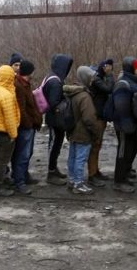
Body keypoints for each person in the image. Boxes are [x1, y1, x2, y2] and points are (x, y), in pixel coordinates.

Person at [65, 66, 99, 194]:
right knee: (80, 158)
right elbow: (89, 118)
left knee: (72, 157)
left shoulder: (73, 92)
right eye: (90, 77)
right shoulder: (84, 96)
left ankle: (72, 180)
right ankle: (78, 184)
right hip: (83, 133)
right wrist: (95, 132)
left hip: (72, 130)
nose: (92, 80)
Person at [0, 65, 21, 196]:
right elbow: (10, 119)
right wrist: (13, 135)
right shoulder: (6, 96)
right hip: (5, 132)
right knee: (3, 161)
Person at [112, 57, 137, 193]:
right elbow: (121, 107)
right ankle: (119, 181)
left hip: (131, 123)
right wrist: (127, 124)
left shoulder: (132, 80)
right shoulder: (123, 83)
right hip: (124, 125)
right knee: (124, 151)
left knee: (133, 147)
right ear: (131, 69)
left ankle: (125, 173)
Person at [12, 60, 42, 195]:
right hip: (25, 127)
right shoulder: (19, 86)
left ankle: (22, 177)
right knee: (22, 155)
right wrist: (29, 123)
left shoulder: (24, 84)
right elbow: (21, 109)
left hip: (29, 125)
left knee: (26, 154)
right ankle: (20, 182)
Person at [43, 54, 74, 185]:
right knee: (55, 144)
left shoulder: (51, 77)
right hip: (55, 120)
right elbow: (53, 102)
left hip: (54, 119)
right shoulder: (55, 82)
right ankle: (51, 172)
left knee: (56, 144)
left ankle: (53, 168)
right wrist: (65, 100)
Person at [88, 58, 115, 184]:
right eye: (109, 66)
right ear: (104, 67)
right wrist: (109, 76)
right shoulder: (97, 79)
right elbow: (108, 89)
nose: (110, 69)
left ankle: (95, 171)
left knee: (97, 145)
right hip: (97, 116)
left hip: (101, 115)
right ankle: (92, 174)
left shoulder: (100, 78)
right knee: (95, 145)